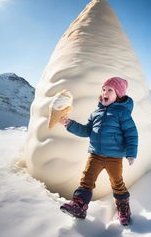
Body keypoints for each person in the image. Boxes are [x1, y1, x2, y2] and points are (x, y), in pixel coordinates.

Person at [59, 77, 138, 225]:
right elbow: (85, 131)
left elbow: (131, 133)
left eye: (110, 90)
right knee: (86, 180)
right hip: (95, 155)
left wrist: (131, 153)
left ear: (118, 95)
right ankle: (79, 205)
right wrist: (69, 124)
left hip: (114, 157)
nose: (105, 92)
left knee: (117, 182)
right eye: (103, 89)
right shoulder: (96, 113)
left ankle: (123, 207)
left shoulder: (122, 113)